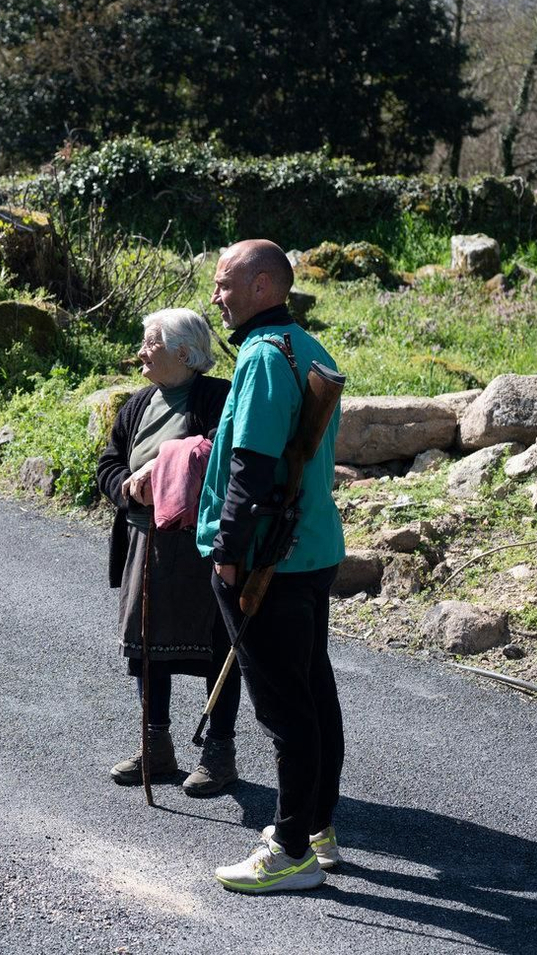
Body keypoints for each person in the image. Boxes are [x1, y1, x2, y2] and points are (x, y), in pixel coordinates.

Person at [195, 239, 345, 895]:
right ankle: (317, 826)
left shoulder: (261, 358)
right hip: (312, 549)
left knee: (284, 706)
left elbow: (250, 468)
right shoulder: (311, 350)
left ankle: (288, 848)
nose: (216, 295)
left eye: (225, 282)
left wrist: (229, 555)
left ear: (262, 286)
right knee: (313, 690)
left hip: (267, 561)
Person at [95, 308, 241, 797]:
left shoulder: (218, 398)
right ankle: (155, 746)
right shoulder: (137, 404)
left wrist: (164, 470)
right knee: (145, 647)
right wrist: (128, 491)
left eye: (149, 344)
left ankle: (219, 754)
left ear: (182, 352)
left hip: (199, 545)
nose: (140, 352)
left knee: (215, 646)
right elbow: (109, 463)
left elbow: (224, 453)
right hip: (145, 542)